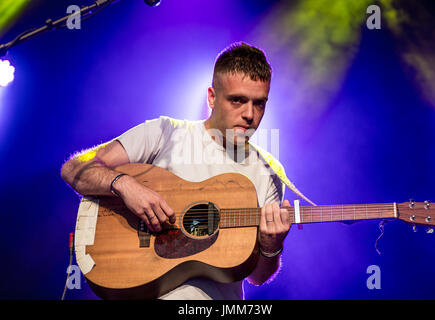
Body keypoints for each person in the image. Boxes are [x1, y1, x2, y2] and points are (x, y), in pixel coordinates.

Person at [61, 42, 292, 300]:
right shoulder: (165, 132)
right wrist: (125, 185)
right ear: (212, 97)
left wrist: (272, 247)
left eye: (259, 103)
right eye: (237, 100)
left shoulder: (269, 172)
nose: (250, 114)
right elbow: (74, 168)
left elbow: (257, 276)